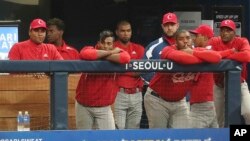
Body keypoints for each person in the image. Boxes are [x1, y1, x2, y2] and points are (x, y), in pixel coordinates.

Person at [144, 30, 222, 129]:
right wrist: (202, 59)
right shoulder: (168, 50)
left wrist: (193, 52)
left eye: (188, 38)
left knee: (182, 136)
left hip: (179, 102)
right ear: (175, 42)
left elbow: (217, 57)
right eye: (181, 39)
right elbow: (184, 59)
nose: (185, 41)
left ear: (192, 40)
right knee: (158, 137)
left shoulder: (196, 50)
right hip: (157, 100)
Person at [75, 30, 131, 130]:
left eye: (109, 43)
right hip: (84, 107)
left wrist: (105, 55)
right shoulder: (90, 49)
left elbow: (125, 58)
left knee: (109, 138)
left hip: (104, 108)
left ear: (113, 44)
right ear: (98, 43)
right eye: (103, 43)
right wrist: (111, 53)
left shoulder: (118, 51)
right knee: (83, 138)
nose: (105, 46)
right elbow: (85, 54)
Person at [208, 19, 250, 127]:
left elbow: (247, 56)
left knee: (248, 111)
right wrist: (232, 53)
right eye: (222, 30)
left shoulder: (241, 41)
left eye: (228, 30)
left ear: (234, 32)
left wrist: (221, 56)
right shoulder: (214, 41)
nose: (225, 33)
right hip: (219, 86)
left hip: (239, 84)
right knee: (217, 119)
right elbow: (210, 57)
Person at [113, 20, 145, 129]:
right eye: (122, 31)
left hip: (136, 94)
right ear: (117, 32)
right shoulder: (112, 48)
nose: (126, 33)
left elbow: (141, 71)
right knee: (118, 129)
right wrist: (132, 70)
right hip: (118, 94)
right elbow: (112, 71)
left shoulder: (139, 49)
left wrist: (122, 69)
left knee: (134, 131)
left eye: (128, 30)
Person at [188, 24, 221, 128]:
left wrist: (190, 51)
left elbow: (216, 56)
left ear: (205, 37)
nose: (193, 39)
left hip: (201, 105)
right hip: (206, 104)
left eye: (197, 36)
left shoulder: (209, 51)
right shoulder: (200, 51)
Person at [142, 12, 179, 84]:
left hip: (180, 92)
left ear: (177, 25)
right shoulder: (153, 46)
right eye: (166, 25)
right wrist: (160, 80)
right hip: (157, 93)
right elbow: (143, 71)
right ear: (162, 26)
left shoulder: (188, 46)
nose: (169, 28)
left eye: (172, 24)